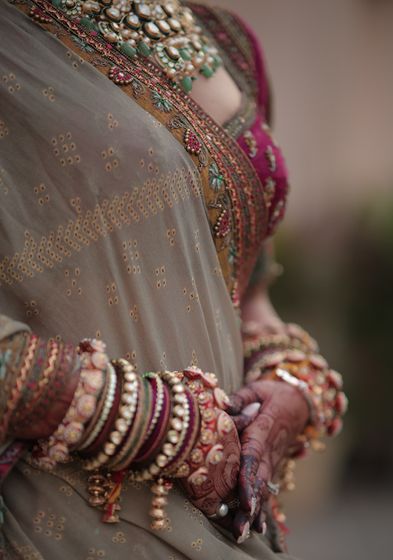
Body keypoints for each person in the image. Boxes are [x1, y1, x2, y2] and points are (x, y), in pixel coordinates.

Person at [0, 1, 347, 558]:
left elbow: (248, 293)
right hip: (61, 518)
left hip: (231, 523)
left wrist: (290, 384)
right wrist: (167, 427)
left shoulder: (224, 39)